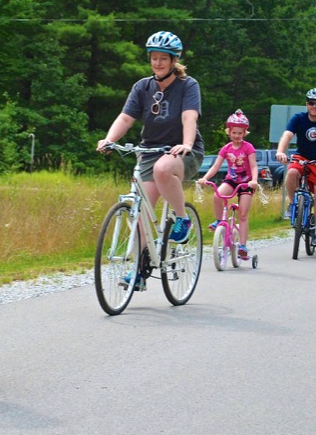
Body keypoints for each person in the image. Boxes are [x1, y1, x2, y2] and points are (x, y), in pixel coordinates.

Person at [97, 30, 204, 290]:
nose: (157, 63)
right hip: (149, 150)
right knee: (142, 213)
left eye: (162, 59)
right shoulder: (142, 87)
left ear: (173, 60)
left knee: (164, 168)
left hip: (181, 152)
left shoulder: (187, 85)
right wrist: (108, 139)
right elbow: (125, 118)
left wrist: (187, 144)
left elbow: (189, 117)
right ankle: (140, 270)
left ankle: (181, 219)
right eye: (153, 58)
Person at [275, 88, 316, 248]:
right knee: (291, 172)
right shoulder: (298, 118)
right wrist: (280, 151)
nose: (314, 106)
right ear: (306, 104)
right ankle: (293, 204)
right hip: (302, 157)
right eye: (311, 103)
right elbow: (287, 135)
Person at [196, 109, 259, 259]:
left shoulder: (248, 147)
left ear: (244, 133)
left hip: (246, 182)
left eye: (240, 133)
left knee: (242, 214)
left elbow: (254, 166)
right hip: (231, 179)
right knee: (218, 195)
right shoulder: (226, 148)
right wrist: (205, 178)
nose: (237, 136)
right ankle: (219, 220)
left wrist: (254, 180)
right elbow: (216, 166)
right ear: (229, 132)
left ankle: (242, 246)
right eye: (234, 133)